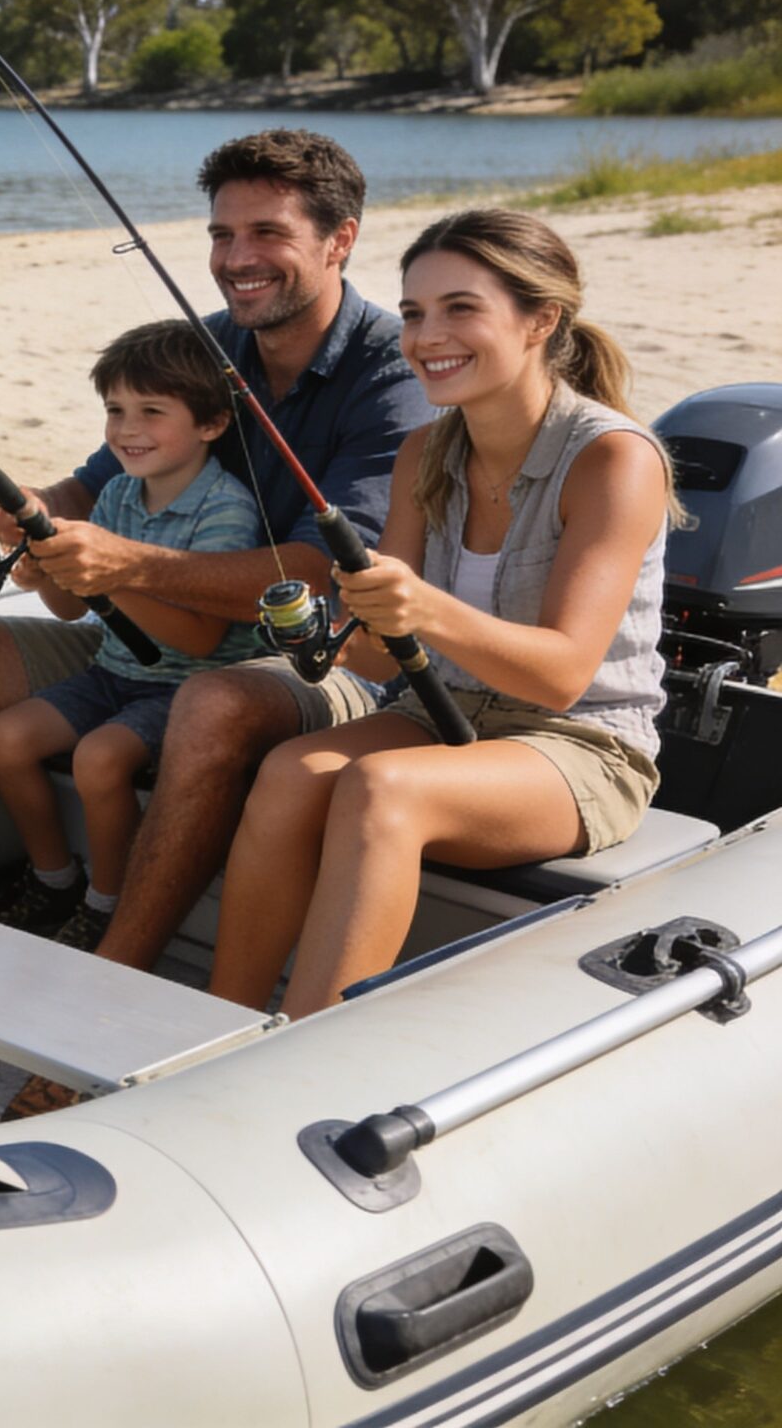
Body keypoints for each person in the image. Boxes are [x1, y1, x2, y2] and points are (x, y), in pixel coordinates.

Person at [0, 128, 434, 1032]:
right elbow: (96, 479)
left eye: (266, 233)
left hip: (322, 662)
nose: (236, 260)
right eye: (220, 234)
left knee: (218, 703)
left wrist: (126, 563)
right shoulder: (207, 344)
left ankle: (106, 1002)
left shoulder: (393, 373)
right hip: (157, 637)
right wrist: (38, 511)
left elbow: (326, 576)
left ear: (338, 240)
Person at [207, 208, 680, 1018]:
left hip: (582, 747)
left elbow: (565, 675)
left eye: (462, 308)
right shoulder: (428, 452)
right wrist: (348, 627)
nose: (428, 336)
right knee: (291, 772)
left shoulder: (612, 458)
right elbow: (386, 659)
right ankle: (215, 1030)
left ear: (541, 320)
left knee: (384, 788)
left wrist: (423, 605)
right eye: (416, 312)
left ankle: (308, 1047)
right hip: (448, 712)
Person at [0, 322, 265, 952]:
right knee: (8, 738)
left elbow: (197, 637)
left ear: (212, 423)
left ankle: (106, 904)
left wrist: (112, 573)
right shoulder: (114, 494)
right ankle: (54, 880)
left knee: (99, 758)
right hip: (114, 673)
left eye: (152, 412)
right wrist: (44, 567)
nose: (127, 429)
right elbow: (68, 611)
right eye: (115, 410)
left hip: (186, 689)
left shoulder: (227, 509)